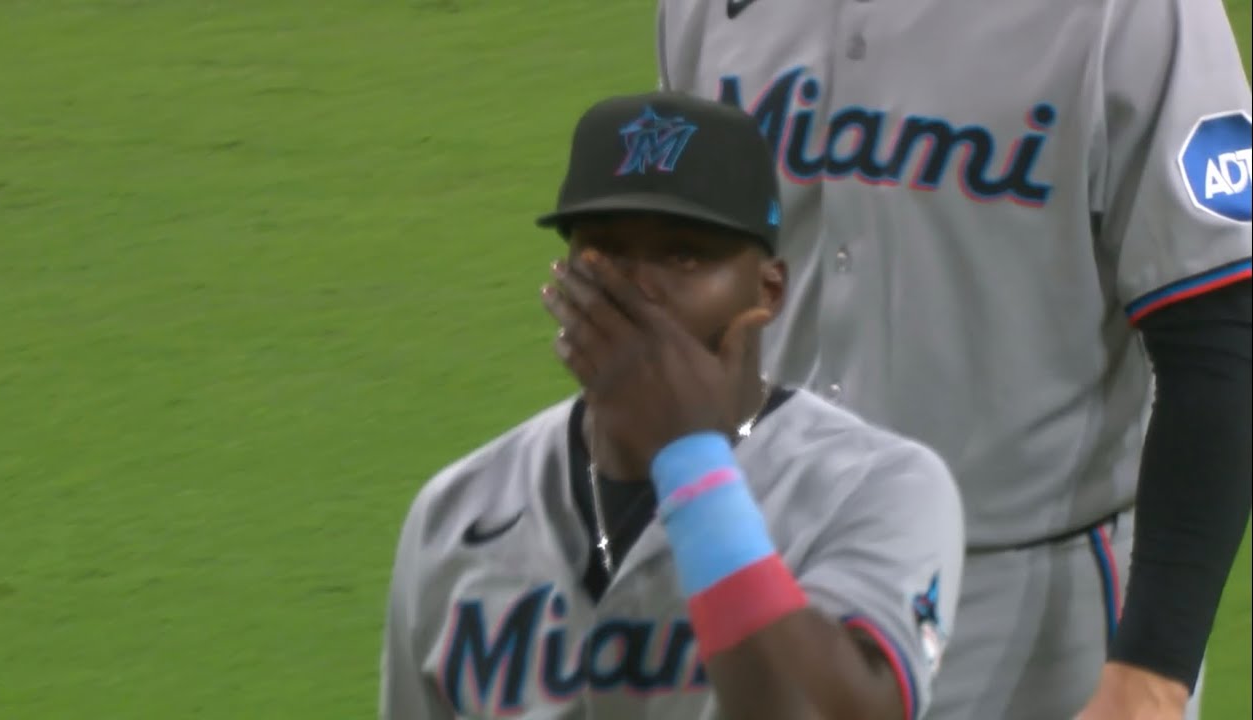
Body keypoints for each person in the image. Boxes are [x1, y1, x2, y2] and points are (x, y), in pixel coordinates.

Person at [655, 0, 1253, 718]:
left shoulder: (1131, 15)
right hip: (773, 584)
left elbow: (1222, 338)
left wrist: (1151, 675)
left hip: (1033, 621)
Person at [378, 91, 965, 720]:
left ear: (768, 291)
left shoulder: (876, 489)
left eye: (685, 254)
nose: (639, 287)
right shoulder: (455, 514)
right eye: (606, 251)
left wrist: (689, 460)